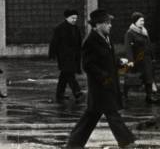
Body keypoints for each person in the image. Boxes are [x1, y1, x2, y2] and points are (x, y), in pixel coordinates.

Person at [66, 9, 137, 148]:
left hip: (107, 84)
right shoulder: (90, 41)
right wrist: (104, 77)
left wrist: (119, 62)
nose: (110, 25)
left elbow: (108, 58)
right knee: (112, 114)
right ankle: (126, 142)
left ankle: (74, 143)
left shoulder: (106, 38)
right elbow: (88, 65)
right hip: (100, 86)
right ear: (98, 24)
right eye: (107, 23)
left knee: (91, 116)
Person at [49, 9, 84, 103]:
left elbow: (79, 42)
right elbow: (54, 42)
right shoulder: (60, 28)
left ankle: (59, 94)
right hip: (64, 56)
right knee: (69, 73)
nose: (74, 20)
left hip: (73, 55)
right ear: (67, 18)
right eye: (72, 18)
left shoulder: (76, 28)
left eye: (76, 18)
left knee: (64, 75)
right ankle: (77, 92)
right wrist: (52, 54)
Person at [124, 12, 159, 104]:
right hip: (137, 60)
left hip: (147, 59)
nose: (142, 22)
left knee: (149, 78)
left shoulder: (144, 31)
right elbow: (128, 48)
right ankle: (125, 95)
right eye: (140, 21)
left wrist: (152, 57)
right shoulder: (130, 33)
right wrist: (130, 60)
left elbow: (148, 45)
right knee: (133, 78)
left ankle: (149, 96)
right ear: (135, 21)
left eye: (143, 21)